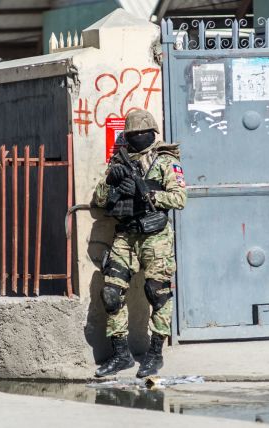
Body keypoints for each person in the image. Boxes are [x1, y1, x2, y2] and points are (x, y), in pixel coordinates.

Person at [92, 109, 187, 378]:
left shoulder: (165, 161)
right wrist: (111, 184)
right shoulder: (119, 162)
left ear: (153, 133)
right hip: (125, 235)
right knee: (111, 292)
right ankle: (121, 354)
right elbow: (99, 200)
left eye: (142, 134)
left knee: (158, 292)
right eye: (132, 134)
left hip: (155, 236)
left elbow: (179, 199)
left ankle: (154, 354)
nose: (138, 137)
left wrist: (147, 194)